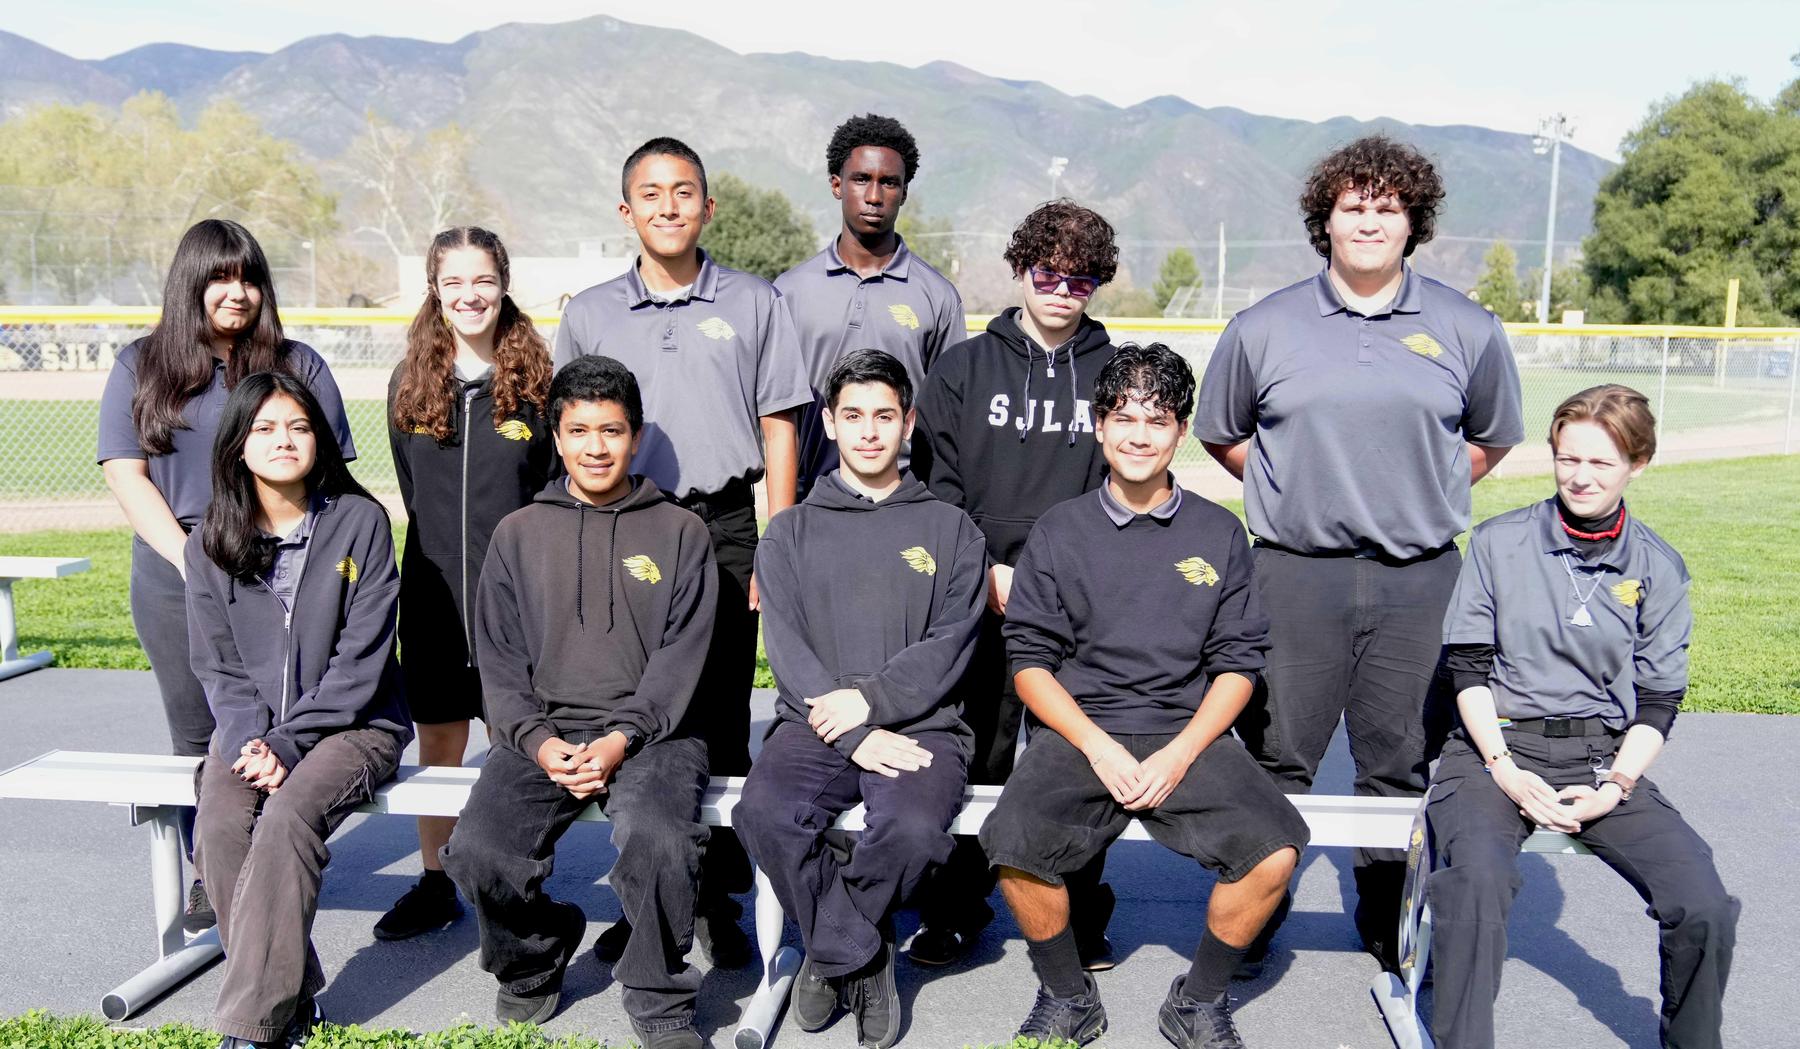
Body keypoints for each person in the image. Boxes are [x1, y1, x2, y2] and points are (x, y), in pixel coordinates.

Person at [1194, 135, 1523, 970]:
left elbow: (1489, 438)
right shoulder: (1265, 326)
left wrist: (1421, 492)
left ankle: (1386, 911)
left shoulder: (1465, 326)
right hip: (1295, 572)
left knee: (1399, 756)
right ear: (1325, 221)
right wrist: (1291, 487)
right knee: (1281, 754)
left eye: (1388, 207)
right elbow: (1222, 431)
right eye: (1353, 207)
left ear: (1413, 221)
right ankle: (1257, 905)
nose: (1370, 221)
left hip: (1420, 577)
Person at [982, 344, 1308, 1049]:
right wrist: (1094, 744)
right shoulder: (1059, 530)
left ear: (1180, 432)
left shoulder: (1218, 532)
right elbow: (1031, 664)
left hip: (1184, 731)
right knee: (1011, 841)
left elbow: (1237, 665)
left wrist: (1184, 750)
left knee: (1276, 848)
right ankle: (1068, 996)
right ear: (1098, 425)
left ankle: (1198, 998)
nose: (1138, 434)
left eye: (1157, 419)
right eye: (1123, 416)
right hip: (1080, 731)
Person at [553, 136, 812, 967]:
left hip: (726, 523)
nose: (669, 206)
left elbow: (780, 422)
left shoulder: (753, 302)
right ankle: (650, 895)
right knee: (638, 712)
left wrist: (779, 532)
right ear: (626, 211)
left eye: (684, 191)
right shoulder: (590, 312)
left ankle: (718, 900)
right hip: (626, 524)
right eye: (651, 194)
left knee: (725, 713)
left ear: (708, 206)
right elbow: (572, 434)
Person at [1426, 384, 1737, 1049]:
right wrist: (1504, 770)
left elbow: (1659, 701)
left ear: (1638, 464)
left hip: (1600, 756)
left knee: (1704, 902)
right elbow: (1469, 669)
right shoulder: (1500, 542)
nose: (1581, 476)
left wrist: (1615, 787)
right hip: (1493, 748)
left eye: (1601, 462)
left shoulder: (1657, 565)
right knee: (1478, 881)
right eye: (1569, 459)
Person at [439, 355, 718, 1049]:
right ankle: (534, 953)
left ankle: (656, 996)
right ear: (556, 437)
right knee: (476, 850)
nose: (597, 446)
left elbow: (682, 658)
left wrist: (622, 736)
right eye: (580, 430)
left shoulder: (681, 531)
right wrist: (537, 741)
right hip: (545, 728)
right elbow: (499, 663)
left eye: (613, 430)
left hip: (657, 733)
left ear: (637, 434)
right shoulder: (518, 533)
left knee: (658, 839)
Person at [98, 218, 355, 933]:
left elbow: (332, 474)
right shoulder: (140, 365)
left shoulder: (297, 364)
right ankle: (212, 872)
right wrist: (194, 560)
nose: (236, 291)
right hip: (178, 573)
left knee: (280, 722)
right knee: (199, 731)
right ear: (191, 281)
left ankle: (278, 858)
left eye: (248, 277)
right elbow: (126, 471)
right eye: (220, 276)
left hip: (282, 573)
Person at [736, 349, 987, 1048]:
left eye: (885, 415)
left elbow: (951, 642)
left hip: (923, 725)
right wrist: (851, 733)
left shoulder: (951, 528)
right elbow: (786, 650)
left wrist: (872, 703)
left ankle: (821, 952)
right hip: (814, 723)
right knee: (764, 811)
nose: (870, 431)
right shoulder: (789, 530)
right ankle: (861, 954)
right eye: (853, 416)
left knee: (910, 832)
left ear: (909, 421)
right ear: (830, 422)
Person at [908, 199, 1121, 969]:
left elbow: (1121, 485)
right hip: (984, 594)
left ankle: (1078, 916)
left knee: (1073, 760)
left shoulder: (1111, 373)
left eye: (1081, 278)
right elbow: (938, 487)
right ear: (1022, 268)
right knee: (979, 756)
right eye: (1048, 272)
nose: (1062, 289)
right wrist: (985, 568)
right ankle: (954, 906)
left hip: (1076, 604)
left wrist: (1064, 578)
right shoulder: (964, 367)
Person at [185, 372, 411, 1049]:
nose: (284, 440)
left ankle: (251, 1028)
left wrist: (289, 742)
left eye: (299, 426)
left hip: (356, 724)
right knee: (221, 826)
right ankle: (292, 990)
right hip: (252, 730)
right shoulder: (208, 541)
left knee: (286, 819)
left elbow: (362, 660)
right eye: (265, 428)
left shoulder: (359, 521)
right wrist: (256, 738)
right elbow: (218, 666)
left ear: (321, 438)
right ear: (237, 445)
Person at [375, 226, 555, 940]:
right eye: (454, 282)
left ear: (503, 283)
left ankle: (520, 879)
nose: (469, 294)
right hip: (433, 600)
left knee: (518, 742)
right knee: (439, 741)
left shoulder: (538, 385)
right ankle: (435, 879)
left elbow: (551, 494)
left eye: (482, 280)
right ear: (435, 289)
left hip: (516, 605)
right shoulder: (409, 384)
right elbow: (411, 491)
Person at [774, 113, 965, 497]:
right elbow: (780, 414)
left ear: (904, 192)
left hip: (907, 498)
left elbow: (949, 417)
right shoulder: (789, 292)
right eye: (862, 179)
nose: (875, 196)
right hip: (814, 496)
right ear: (836, 185)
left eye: (889, 182)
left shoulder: (938, 296)